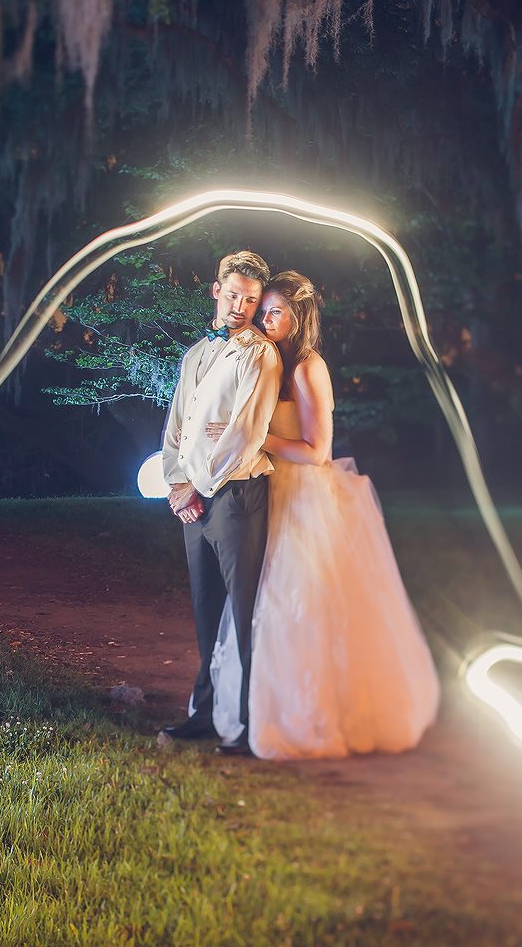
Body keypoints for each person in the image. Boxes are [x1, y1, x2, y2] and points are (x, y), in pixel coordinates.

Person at [207, 270, 440, 759]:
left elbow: (318, 450)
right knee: (258, 602)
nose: (264, 318)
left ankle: (297, 718)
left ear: (298, 318)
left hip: (303, 498)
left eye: (275, 311)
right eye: (263, 309)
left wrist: (255, 439)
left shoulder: (309, 368)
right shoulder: (267, 360)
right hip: (267, 492)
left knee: (293, 604)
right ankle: (254, 712)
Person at [157, 249, 283, 756]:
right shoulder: (194, 354)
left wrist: (198, 487)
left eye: (251, 300)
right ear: (215, 290)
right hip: (194, 499)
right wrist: (175, 482)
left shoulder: (259, 355)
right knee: (206, 608)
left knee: (243, 610)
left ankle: (251, 726)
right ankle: (205, 714)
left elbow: (245, 436)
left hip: (235, 497)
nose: (241, 305)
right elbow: (176, 428)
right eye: (233, 294)